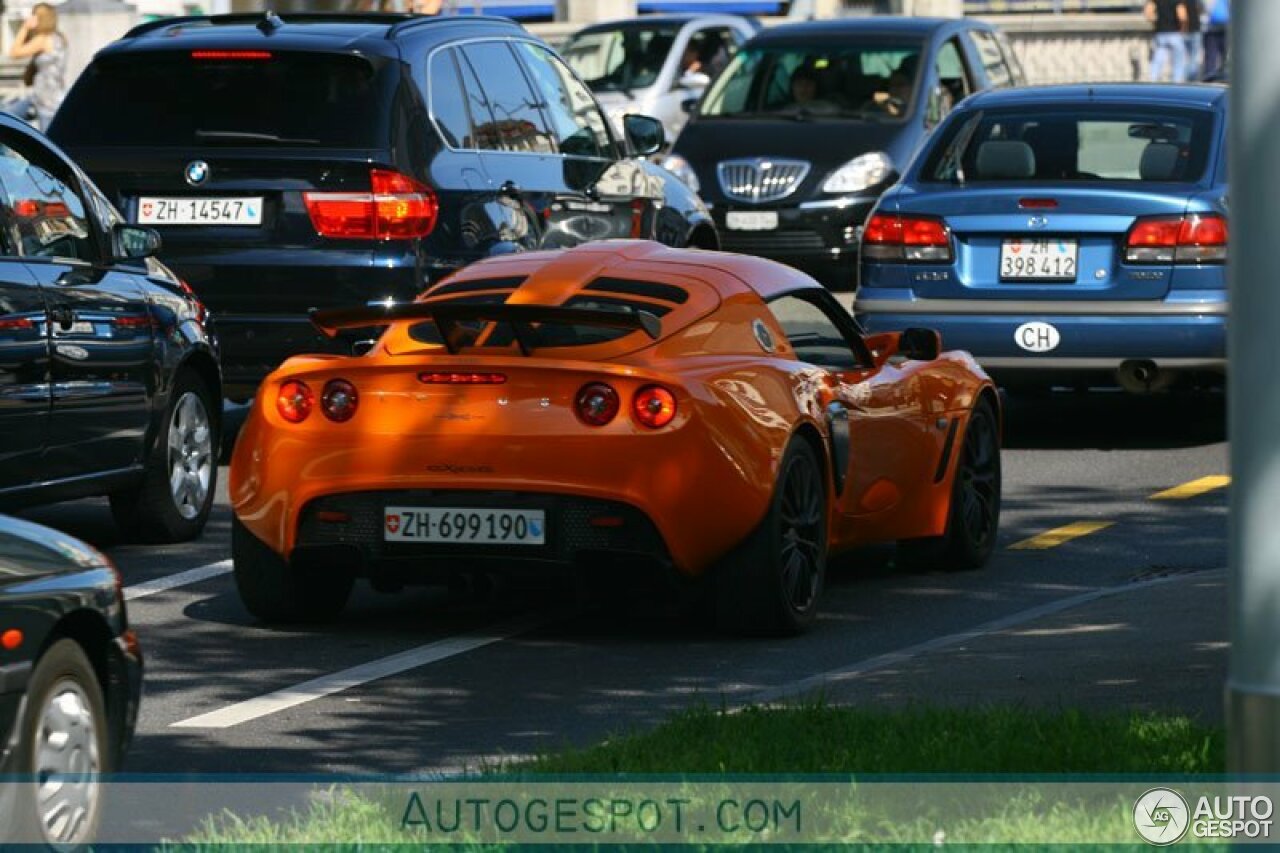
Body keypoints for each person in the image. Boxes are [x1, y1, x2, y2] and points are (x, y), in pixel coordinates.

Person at [6, 3, 67, 131]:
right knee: (6, 117)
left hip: (46, 101)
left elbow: (14, 52)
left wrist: (25, 27)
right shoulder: (60, 38)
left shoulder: (43, 40)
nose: (31, 17)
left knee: (47, 142)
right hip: (47, 96)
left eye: (34, 15)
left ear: (41, 18)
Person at [1146, 0, 1188, 82]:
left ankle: (1153, 79)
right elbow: (1182, 16)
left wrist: (1156, 23)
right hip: (1174, 33)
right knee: (1178, 61)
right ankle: (1177, 82)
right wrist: (1183, 28)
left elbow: (1148, 13)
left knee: (1158, 58)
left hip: (1160, 32)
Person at [1202, 0, 1229, 80]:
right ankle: (1208, 78)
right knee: (1211, 56)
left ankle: (1224, 76)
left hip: (1225, 29)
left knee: (1226, 56)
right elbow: (1204, 8)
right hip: (1211, 30)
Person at [1182, 0, 1203, 82]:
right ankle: (1191, 79)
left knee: (1185, 57)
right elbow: (1202, 10)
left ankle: (1186, 78)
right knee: (1193, 57)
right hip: (1195, 30)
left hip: (1184, 31)